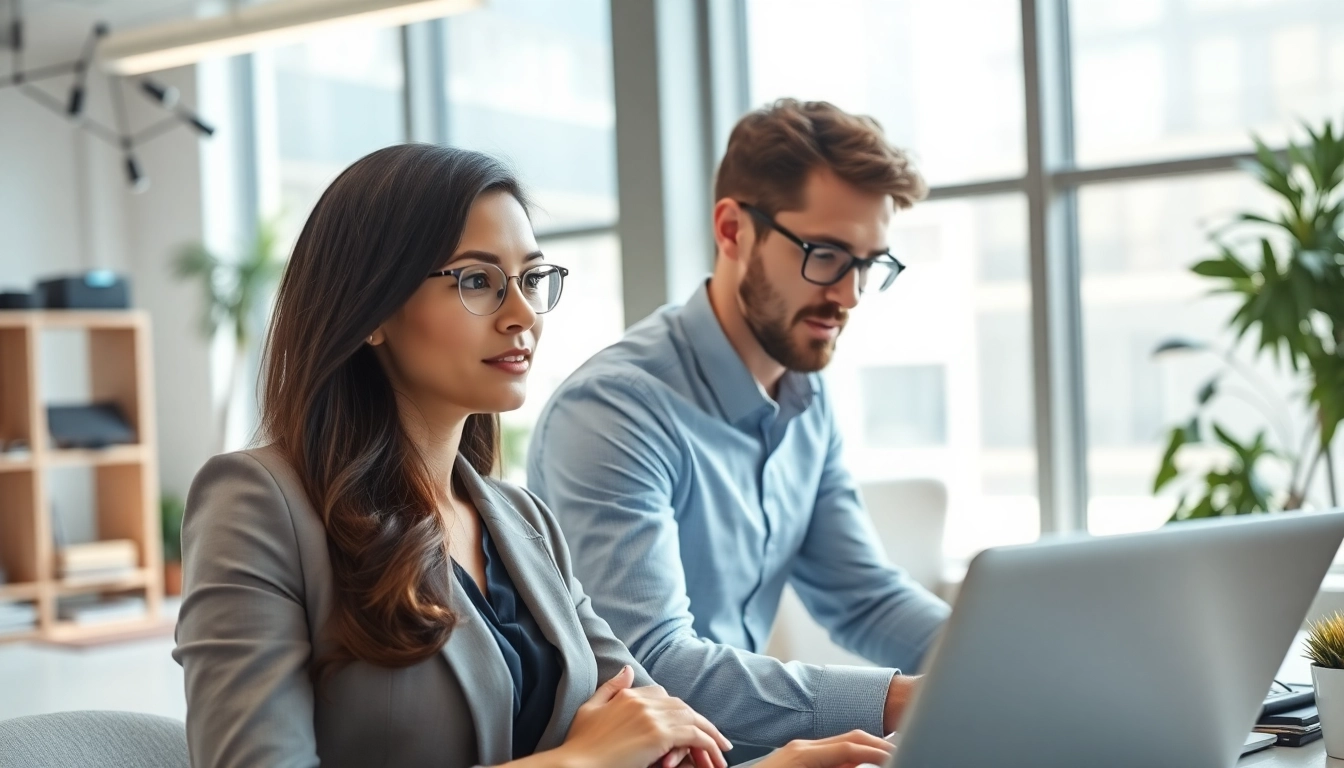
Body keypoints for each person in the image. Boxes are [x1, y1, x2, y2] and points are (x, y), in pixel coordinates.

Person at [172, 144, 893, 768]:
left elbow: (659, 733)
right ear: (373, 310)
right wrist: (579, 760)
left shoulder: (523, 523)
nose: (522, 314)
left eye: (532, 279)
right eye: (477, 281)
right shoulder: (258, 504)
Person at [527, 99, 952, 756]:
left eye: (869, 264)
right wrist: (897, 697)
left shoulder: (805, 395)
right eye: (826, 254)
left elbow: (862, 597)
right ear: (732, 230)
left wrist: (996, 659)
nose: (849, 295)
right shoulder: (613, 410)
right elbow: (652, 665)